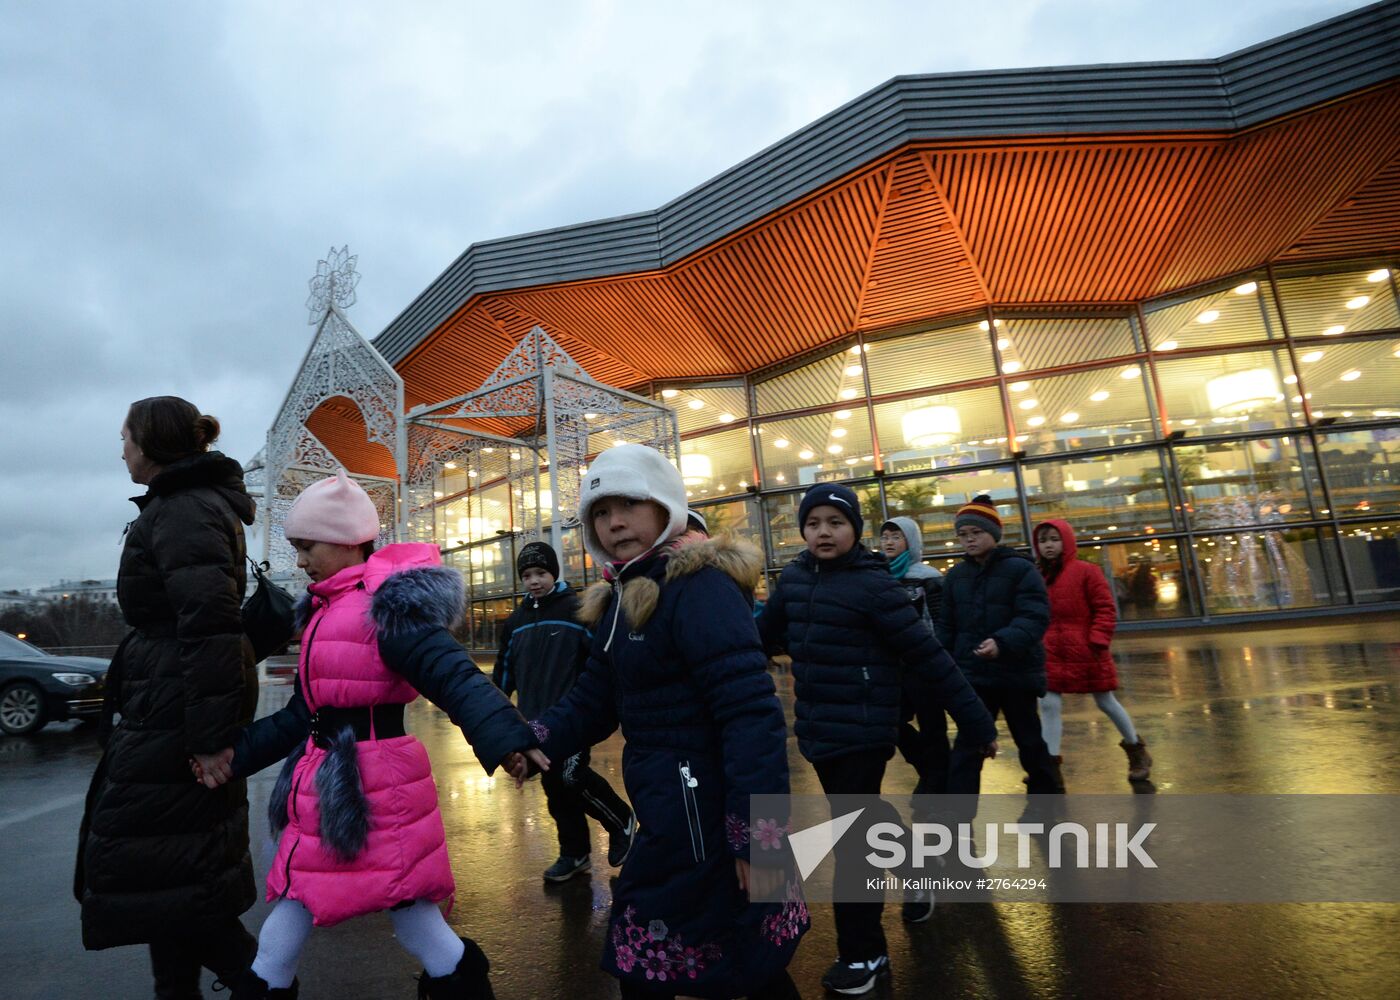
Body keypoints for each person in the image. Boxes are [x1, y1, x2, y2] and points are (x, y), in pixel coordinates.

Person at [202, 470, 544, 1000]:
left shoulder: (386, 606)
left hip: (376, 790)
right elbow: (305, 715)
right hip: (330, 786)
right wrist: (234, 755)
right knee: (308, 904)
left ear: (344, 540)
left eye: (306, 546)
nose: (299, 560)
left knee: (409, 915)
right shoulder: (326, 609)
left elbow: (449, 672)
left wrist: (507, 736)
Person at [530, 444, 806, 1000]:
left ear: (665, 507)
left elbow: (752, 716)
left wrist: (759, 842)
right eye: (600, 513)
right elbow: (594, 697)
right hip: (670, 808)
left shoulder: (697, 586)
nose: (614, 522)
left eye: (630, 503)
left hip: (715, 817)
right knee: (735, 960)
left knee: (739, 961)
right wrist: (531, 740)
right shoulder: (622, 596)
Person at [758, 484, 997, 995]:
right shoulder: (796, 579)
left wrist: (977, 724)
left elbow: (930, 656)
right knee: (864, 816)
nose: (824, 531)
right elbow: (761, 633)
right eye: (814, 522)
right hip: (818, 728)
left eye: (836, 523)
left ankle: (865, 953)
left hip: (866, 729)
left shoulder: (874, 585)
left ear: (855, 531)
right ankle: (914, 867)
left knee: (852, 838)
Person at [75, 396, 261, 999]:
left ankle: (265, 985)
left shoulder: (183, 511)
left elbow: (208, 630)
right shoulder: (179, 506)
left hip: (175, 718)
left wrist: (208, 742)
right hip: (167, 706)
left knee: (174, 874)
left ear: (150, 442)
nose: (120, 448)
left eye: (125, 436)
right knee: (169, 873)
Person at [494, 540, 635, 882]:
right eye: (526, 575)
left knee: (572, 776)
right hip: (534, 722)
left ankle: (620, 821)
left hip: (573, 718)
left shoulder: (577, 610)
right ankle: (574, 854)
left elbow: (599, 663)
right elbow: (504, 672)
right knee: (556, 791)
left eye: (540, 572)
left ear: (554, 572)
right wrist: (498, 708)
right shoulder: (516, 621)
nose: (533, 580)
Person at [936, 495, 1062, 795]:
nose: (969, 540)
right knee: (968, 744)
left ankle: (1047, 800)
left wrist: (1002, 642)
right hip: (974, 675)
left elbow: (1034, 616)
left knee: (1029, 740)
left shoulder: (1021, 569)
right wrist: (942, 662)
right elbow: (947, 626)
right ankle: (956, 818)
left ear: (993, 532)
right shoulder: (956, 576)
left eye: (975, 533)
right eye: (963, 535)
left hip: (1016, 673)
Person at [1032, 520, 1152, 783]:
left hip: (1086, 650)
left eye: (1054, 539)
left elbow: (1105, 608)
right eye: (1043, 541)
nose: (1048, 545)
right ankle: (1049, 766)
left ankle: (1136, 749)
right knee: (1049, 704)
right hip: (1050, 650)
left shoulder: (1087, 571)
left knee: (1105, 701)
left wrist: (1097, 640)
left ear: (1066, 540)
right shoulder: (1038, 576)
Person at [878, 517, 950, 800]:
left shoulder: (927, 576)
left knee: (933, 726)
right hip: (894, 667)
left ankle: (937, 782)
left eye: (896, 536)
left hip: (925, 664)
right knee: (893, 722)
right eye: (885, 537)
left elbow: (940, 620)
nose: (889, 542)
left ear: (911, 541)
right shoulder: (880, 577)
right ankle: (930, 770)